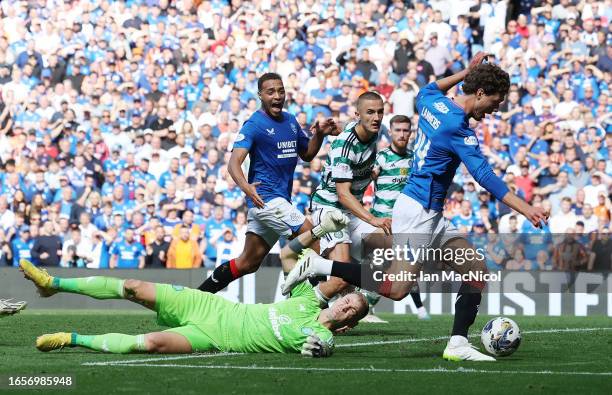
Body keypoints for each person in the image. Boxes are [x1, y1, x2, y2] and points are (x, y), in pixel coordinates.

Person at [283, 53, 549, 362]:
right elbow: (486, 177)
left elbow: (427, 89)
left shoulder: (433, 103)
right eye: (495, 101)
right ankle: (321, 266)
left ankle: (458, 343)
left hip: (427, 212)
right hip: (418, 213)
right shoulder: (460, 131)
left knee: (476, 270)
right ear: (479, 93)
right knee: (397, 289)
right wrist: (526, 208)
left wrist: (466, 71)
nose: (494, 109)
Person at [21, 210, 367, 357]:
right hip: (211, 306)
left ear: (347, 324)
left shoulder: (320, 335)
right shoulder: (308, 300)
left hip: (215, 337)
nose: (347, 303)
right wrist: (318, 231)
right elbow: (290, 255)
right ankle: (52, 283)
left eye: (353, 310)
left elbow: (322, 348)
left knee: (149, 344)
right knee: (131, 286)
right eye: (350, 299)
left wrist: (321, 349)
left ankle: (70, 339)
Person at [197, 73, 339, 293]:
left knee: (248, 263)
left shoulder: (291, 121)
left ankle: (200, 295)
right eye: (270, 91)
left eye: (281, 91)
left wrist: (319, 135)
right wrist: (246, 187)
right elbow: (234, 163)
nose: (277, 96)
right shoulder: (254, 124)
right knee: (311, 235)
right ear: (261, 95)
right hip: (265, 199)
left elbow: (308, 154)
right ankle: (320, 303)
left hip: (278, 201)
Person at [308, 91, 391, 307]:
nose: (376, 117)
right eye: (370, 112)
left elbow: (351, 126)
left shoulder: (374, 130)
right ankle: (305, 303)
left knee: (388, 244)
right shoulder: (344, 146)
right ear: (358, 115)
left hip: (349, 212)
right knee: (342, 275)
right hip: (329, 209)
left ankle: (341, 284)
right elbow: (343, 195)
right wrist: (373, 219)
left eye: (380, 112)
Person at [351, 115, 429, 323]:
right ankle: (358, 306)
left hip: (405, 225)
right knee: (380, 270)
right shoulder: (382, 157)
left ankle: (362, 306)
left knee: (391, 272)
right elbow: (366, 177)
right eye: (398, 130)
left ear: (410, 133)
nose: (402, 134)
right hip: (381, 224)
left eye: (406, 130)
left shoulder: (415, 159)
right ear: (391, 132)